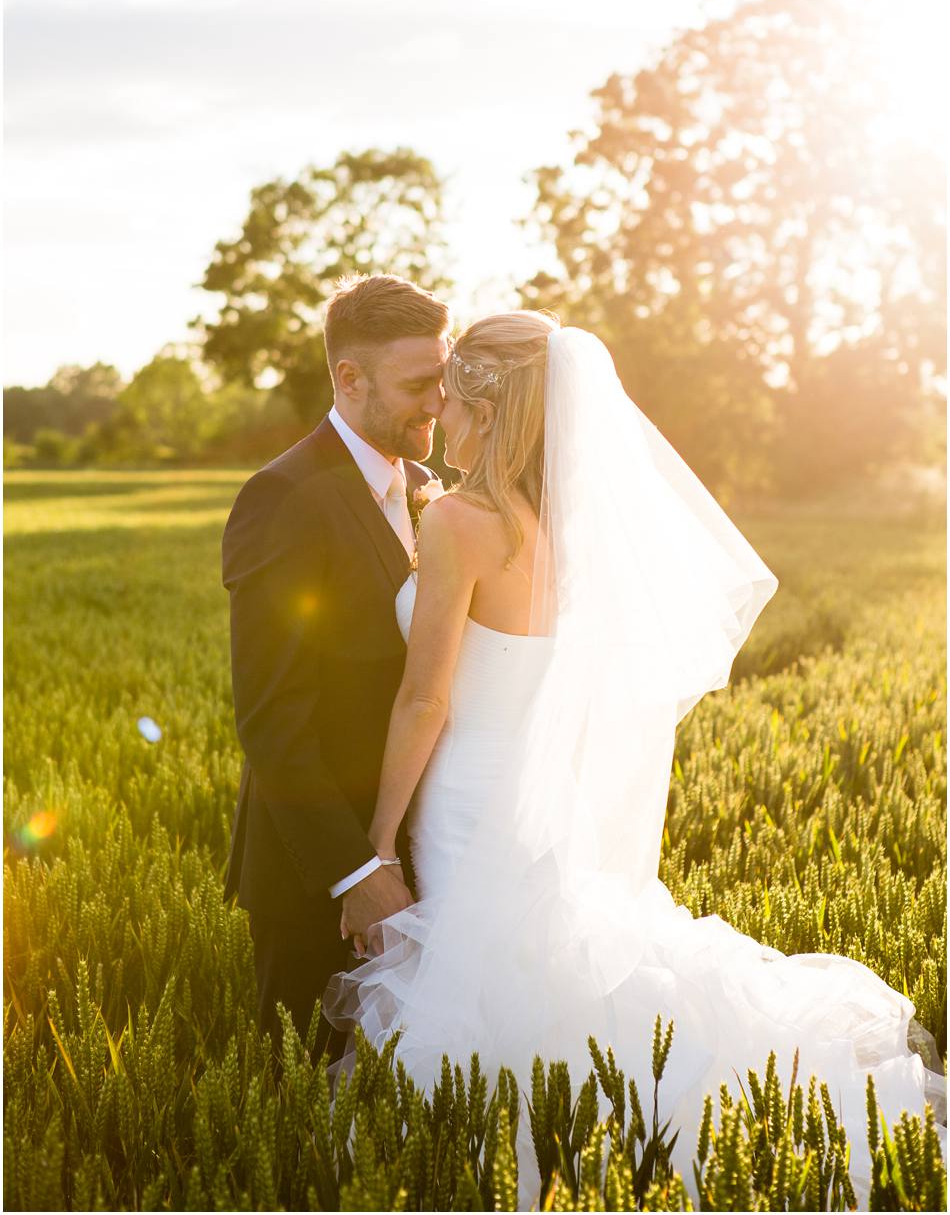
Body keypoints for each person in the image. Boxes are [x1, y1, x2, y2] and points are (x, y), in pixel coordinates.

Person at [323, 309, 946, 1208]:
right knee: (548, 960)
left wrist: (379, 839)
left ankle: (524, 1155)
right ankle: (602, 1140)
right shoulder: (565, 528)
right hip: (542, 796)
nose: (441, 422)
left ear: (490, 412)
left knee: (487, 976)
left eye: (452, 401)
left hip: (464, 801)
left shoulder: (462, 520)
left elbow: (426, 699)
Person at [222, 272, 450, 1052]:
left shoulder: (425, 487)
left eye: (443, 380)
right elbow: (271, 716)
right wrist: (356, 874)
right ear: (349, 379)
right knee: (302, 1106)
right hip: (315, 875)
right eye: (419, 384)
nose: (438, 403)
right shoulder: (282, 497)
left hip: (423, 852)